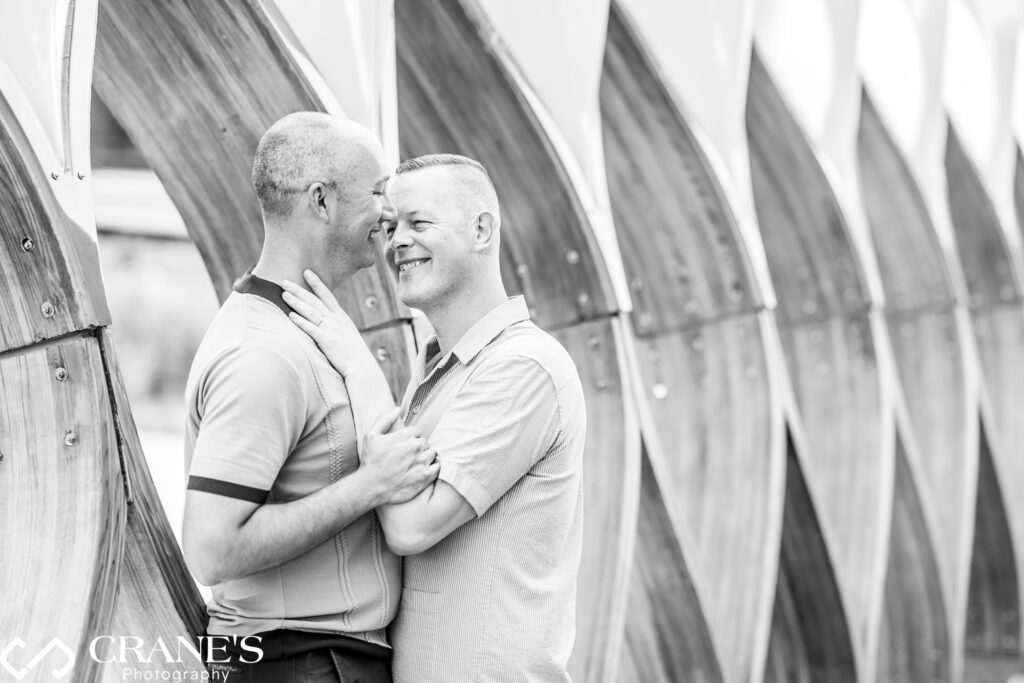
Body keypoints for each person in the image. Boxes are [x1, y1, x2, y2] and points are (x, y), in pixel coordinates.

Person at [283, 153, 586, 681]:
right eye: (391, 224)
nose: (397, 240)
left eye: (420, 223)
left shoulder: (524, 367)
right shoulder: (437, 363)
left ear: (481, 230)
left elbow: (411, 525)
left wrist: (360, 366)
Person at [181, 112, 438, 683]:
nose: (389, 212)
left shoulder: (299, 331)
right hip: (296, 663)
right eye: (377, 192)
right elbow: (212, 550)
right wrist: (371, 485)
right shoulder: (264, 356)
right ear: (321, 201)